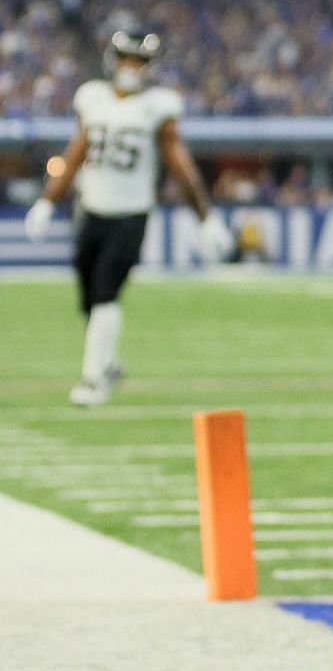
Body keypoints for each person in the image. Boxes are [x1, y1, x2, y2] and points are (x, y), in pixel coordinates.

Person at [23, 31, 231, 406]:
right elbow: (76, 152)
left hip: (130, 215)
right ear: (113, 59)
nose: (131, 67)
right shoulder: (92, 97)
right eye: (126, 58)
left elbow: (180, 167)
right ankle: (109, 363)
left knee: (105, 294)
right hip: (91, 210)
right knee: (88, 299)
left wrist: (206, 216)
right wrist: (47, 200)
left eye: (140, 60)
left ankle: (92, 379)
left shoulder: (158, 106)